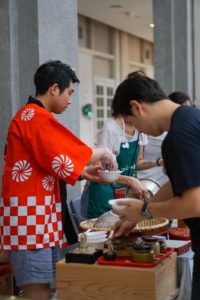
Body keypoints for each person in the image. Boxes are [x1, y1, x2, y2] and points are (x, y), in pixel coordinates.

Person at [0, 60, 117, 300]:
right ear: (54, 89)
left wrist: (83, 172)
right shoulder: (35, 117)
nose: (70, 100)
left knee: (44, 289)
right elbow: (70, 155)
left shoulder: (31, 116)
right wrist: (104, 150)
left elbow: (49, 162)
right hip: (30, 221)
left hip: (36, 218)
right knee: (37, 293)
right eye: (69, 92)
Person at [110, 71, 200, 300]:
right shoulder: (191, 117)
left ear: (137, 107)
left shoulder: (178, 136)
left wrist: (144, 211)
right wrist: (140, 211)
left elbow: (193, 203)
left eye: (132, 123)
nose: (139, 131)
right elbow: (180, 182)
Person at [86, 88, 165, 219]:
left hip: (123, 191)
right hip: (103, 192)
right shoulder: (111, 129)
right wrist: (131, 180)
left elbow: (137, 162)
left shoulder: (139, 128)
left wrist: (157, 162)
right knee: (104, 231)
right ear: (132, 106)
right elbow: (99, 171)